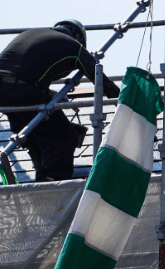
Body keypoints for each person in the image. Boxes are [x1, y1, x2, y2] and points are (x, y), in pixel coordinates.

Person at [0, 19, 120, 182]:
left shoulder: (32, 34)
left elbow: (23, 70)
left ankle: (41, 174)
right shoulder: (74, 46)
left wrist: (48, 93)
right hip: (21, 91)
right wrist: (129, 108)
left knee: (34, 133)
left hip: (5, 92)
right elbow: (104, 83)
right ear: (77, 36)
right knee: (65, 136)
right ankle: (51, 182)